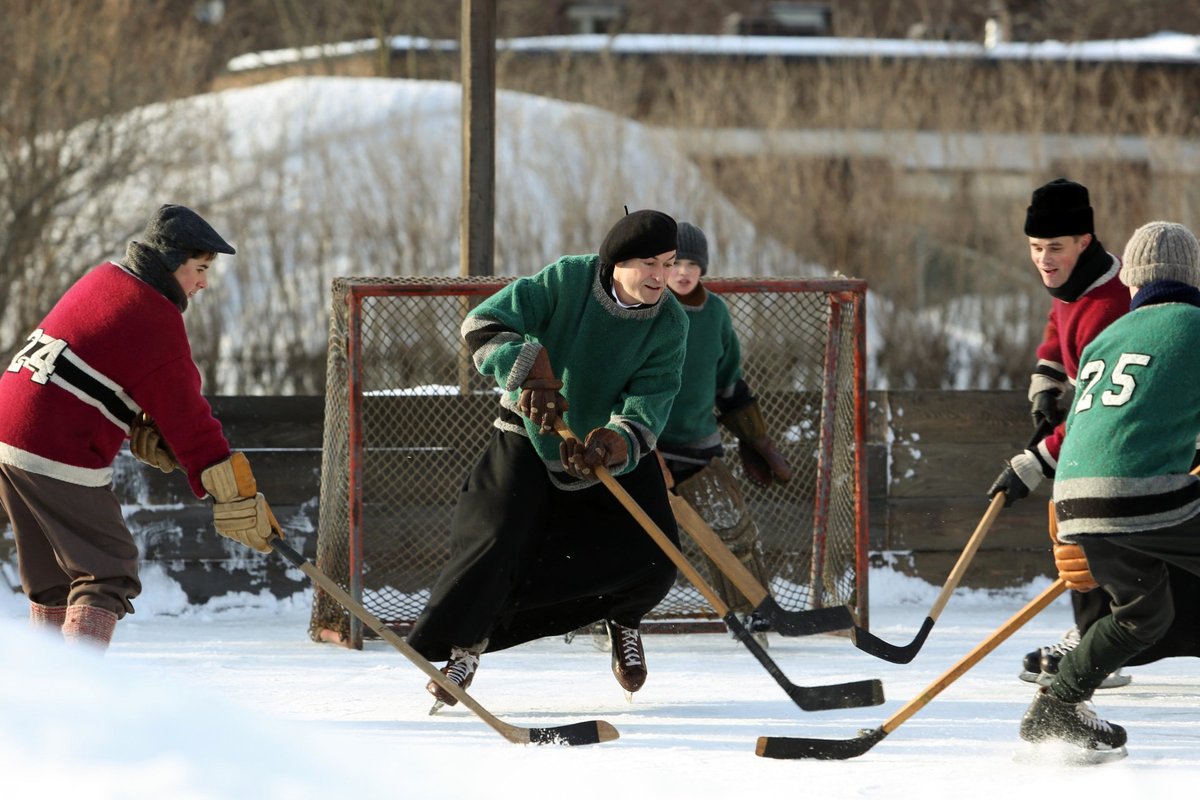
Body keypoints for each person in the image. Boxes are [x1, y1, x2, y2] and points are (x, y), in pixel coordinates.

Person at [406, 209, 688, 709]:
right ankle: (465, 646)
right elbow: (482, 321)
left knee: (657, 552)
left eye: (668, 264)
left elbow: (651, 401)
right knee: (497, 540)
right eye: (649, 263)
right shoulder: (567, 279)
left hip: (603, 444)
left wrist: (616, 442)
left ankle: (623, 618)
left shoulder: (670, 322)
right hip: (531, 432)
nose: (660, 277)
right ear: (616, 262)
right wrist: (526, 364)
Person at [0, 204, 279, 650]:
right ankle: (77, 690)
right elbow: (189, 420)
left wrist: (135, 422)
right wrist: (229, 489)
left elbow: (106, 369)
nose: (203, 282)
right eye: (200, 268)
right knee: (107, 569)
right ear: (171, 264)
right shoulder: (155, 317)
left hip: (9, 427)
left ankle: (45, 694)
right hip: (52, 443)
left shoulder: (105, 278)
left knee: (53, 573)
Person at [1019, 220, 1200, 754]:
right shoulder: (1195, 323)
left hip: (1074, 500)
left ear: (1133, 282)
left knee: (1143, 615)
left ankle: (1057, 707)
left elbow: (1097, 426)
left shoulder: (1106, 337)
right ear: (1191, 273)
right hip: (1143, 493)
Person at [985, 178, 1132, 688]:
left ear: (1084, 242)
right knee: (1069, 512)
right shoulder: (1074, 282)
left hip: (1132, 428)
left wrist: (1034, 463)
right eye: (1035, 248)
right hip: (1107, 415)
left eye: (1055, 248)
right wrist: (1047, 379)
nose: (1044, 259)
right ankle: (1092, 629)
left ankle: (1101, 644)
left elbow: (1097, 415)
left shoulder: (1111, 307)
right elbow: (1057, 318)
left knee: (1082, 508)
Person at [656, 222, 791, 641]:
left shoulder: (715, 312)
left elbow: (728, 380)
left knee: (730, 529)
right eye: (675, 262)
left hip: (699, 444)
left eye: (692, 264)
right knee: (631, 535)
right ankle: (611, 618)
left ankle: (753, 612)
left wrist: (756, 438)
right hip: (645, 446)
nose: (683, 271)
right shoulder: (646, 308)